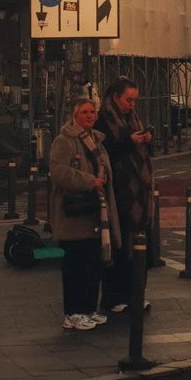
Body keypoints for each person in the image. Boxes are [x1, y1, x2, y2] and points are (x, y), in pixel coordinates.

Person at [48, 98, 114, 332]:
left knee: (92, 264)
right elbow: (58, 171)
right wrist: (89, 181)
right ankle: (72, 312)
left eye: (92, 111)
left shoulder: (96, 139)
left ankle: (88, 308)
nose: (89, 115)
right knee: (75, 265)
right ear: (74, 115)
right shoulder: (64, 141)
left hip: (95, 211)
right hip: (74, 213)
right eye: (84, 112)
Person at [96, 78, 151, 316]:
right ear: (116, 97)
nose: (132, 105)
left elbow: (141, 153)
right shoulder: (104, 119)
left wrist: (146, 141)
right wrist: (130, 141)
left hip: (137, 193)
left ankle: (134, 294)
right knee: (118, 245)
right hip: (117, 190)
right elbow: (108, 149)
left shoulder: (131, 119)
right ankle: (114, 297)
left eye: (135, 101)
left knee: (136, 244)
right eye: (128, 100)